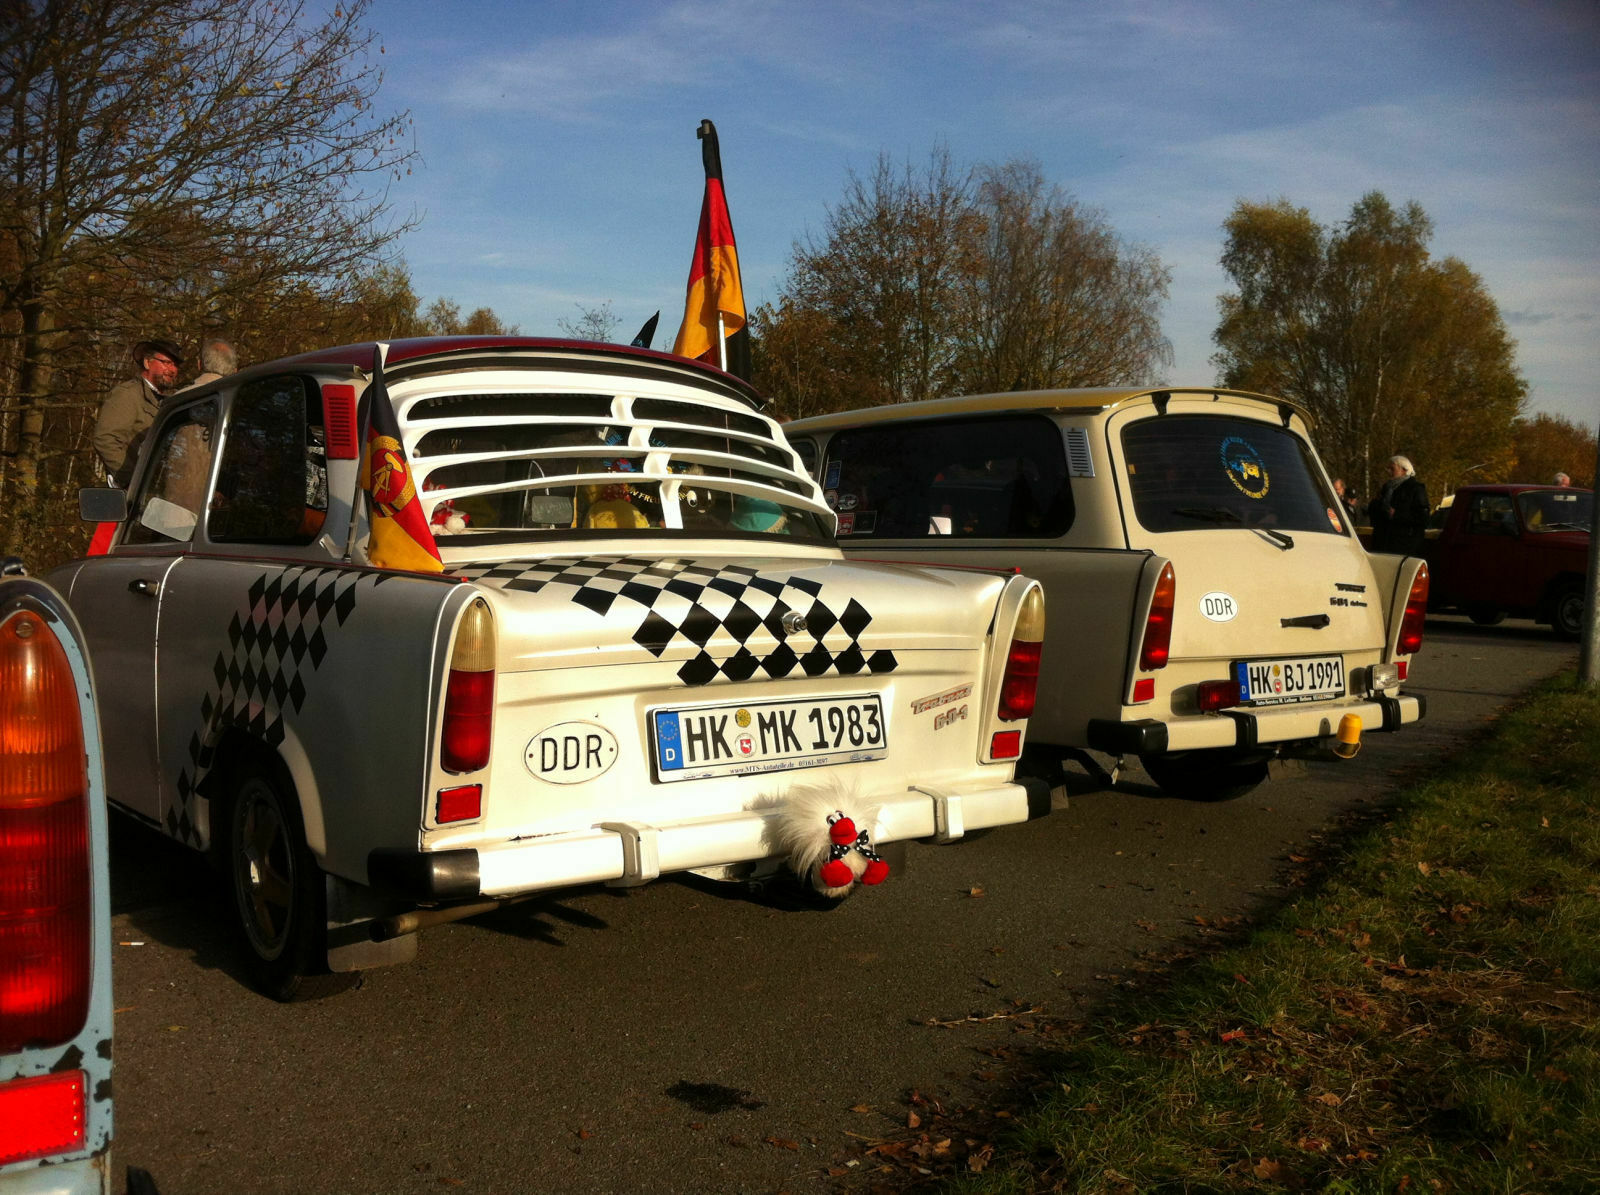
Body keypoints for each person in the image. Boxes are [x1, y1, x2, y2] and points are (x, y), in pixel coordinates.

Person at [93, 338, 182, 485]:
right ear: (147, 362)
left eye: (176, 365)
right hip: (132, 494)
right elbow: (105, 440)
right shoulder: (128, 394)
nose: (172, 370)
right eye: (167, 363)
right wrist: (134, 480)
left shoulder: (170, 401)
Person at [1367, 454, 1429, 555]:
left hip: (1404, 545)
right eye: (1388, 468)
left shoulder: (1416, 489)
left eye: (1392, 468)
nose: (1389, 472)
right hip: (1383, 543)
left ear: (1404, 470)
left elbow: (1423, 517)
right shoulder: (1386, 488)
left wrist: (1397, 514)